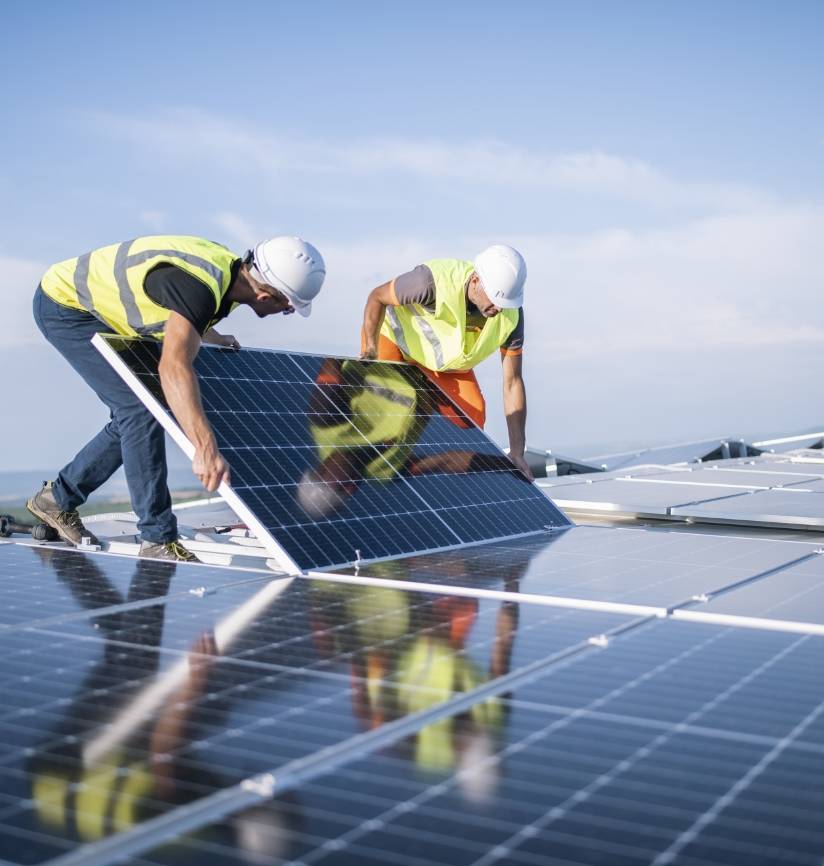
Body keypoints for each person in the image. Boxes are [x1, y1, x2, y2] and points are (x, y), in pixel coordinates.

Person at [28, 234, 325, 561]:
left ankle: (56, 499)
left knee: (145, 409)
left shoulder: (229, 278)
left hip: (96, 310)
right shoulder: (200, 288)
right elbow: (173, 366)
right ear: (266, 293)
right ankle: (157, 540)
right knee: (139, 409)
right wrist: (205, 448)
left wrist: (209, 334)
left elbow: (184, 310)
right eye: (287, 307)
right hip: (67, 306)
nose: (286, 311)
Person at [360, 244, 533, 479]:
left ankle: (429, 480)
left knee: (471, 423)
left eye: (504, 304)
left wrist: (517, 451)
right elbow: (377, 297)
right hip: (396, 344)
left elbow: (512, 382)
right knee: (391, 409)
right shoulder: (429, 282)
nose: (498, 309)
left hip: (445, 364)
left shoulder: (511, 318)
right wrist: (371, 348)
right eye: (494, 299)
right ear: (475, 280)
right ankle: (378, 463)